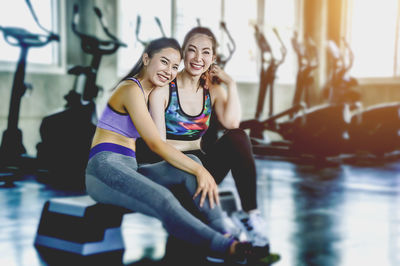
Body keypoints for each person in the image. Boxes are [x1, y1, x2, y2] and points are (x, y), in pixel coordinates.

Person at [84, 36, 269, 262]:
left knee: (193, 167)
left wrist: (197, 168)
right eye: (163, 62)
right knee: (164, 197)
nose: (169, 71)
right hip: (104, 169)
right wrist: (201, 171)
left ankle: (225, 233)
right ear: (146, 59)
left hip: (130, 168)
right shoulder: (131, 89)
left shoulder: (150, 90)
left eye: (174, 66)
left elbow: (230, 125)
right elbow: (155, 144)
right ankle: (221, 246)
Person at [143, 27, 270, 248]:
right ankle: (218, 231)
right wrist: (196, 169)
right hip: (170, 170)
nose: (198, 58)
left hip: (201, 170)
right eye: (192, 51)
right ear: (183, 54)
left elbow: (232, 125)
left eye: (205, 52)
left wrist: (231, 85)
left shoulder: (212, 91)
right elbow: (158, 145)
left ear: (213, 58)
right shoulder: (163, 90)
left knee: (238, 137)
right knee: (193, 166)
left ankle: (250, 214)